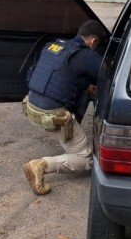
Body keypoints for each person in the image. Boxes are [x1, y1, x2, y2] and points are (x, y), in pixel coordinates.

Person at [21, 20, 105, 195]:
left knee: (85, 89)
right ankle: (41, 165)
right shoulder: (86, 55)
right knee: (86, 159)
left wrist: (86, 85)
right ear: (94, 41)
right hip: (52, 116)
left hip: (31, 106)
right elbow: (110, 75)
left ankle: (70, 139)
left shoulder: (55, 46)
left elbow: (58, 75)